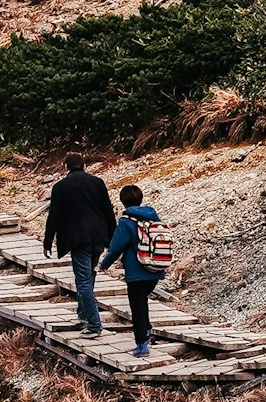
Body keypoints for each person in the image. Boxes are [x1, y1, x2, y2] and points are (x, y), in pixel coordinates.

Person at [41, 154, 117, 336]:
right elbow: (108, 210)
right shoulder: (97, 182)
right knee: (88, 276)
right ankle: (83, 314)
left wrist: (47, 241)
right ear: (84, 165)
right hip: (99, 236)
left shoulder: (60, 187)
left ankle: (94, 325)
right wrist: (114, 238)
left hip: (78, 239)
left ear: (65, 166)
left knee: (83, 281)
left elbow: (54, 216)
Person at [113, 183, 172, 359]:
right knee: (142, 301)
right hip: (155, 269)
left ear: (123, 202)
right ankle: (147, 331)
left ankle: (142, 344)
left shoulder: (126, 221)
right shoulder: (154, 218)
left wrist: (104, 264)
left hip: (136, 271)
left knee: (137, 305)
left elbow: (116, 246)